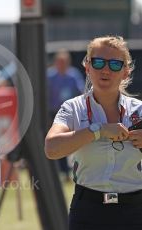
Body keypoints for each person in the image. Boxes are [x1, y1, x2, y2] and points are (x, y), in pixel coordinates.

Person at [45, 35, 142, 229]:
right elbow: (51, 148)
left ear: (125, 71)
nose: (106, 69)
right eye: (98, 62)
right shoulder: (73, 108)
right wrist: (98, 130)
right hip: (88, 210)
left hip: (135, 211)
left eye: (115, 64)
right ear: (87, 67)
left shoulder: (139, 110)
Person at [47, 49, 85, 182]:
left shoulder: (73, 75)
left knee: (75, 142)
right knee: (57, 142)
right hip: (54, 115)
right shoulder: (49, 76)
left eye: (64, 62)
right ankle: (59, 172)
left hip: (71, 114)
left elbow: (81, 92)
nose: (62, 64)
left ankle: (72, 171)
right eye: (59, 62)